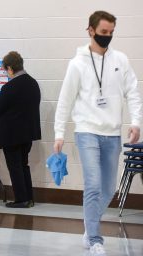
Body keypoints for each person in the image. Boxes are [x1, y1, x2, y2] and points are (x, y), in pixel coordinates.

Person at [54, 11, 141, 256]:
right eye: (103, 32)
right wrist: (59, 133)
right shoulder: (77, 64)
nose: (108, 37)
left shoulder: (120, 60)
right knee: (92, 185)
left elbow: (133, 93)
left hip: (112, 133)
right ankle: (95, 239)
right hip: (87, 131)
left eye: (111, 33)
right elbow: (65, 100)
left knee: (108, 188)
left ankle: (89, 222)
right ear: (90, 30)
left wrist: (136, 122)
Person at [0, 51, 41, 208]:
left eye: (5, 70)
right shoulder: (33, 83)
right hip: (28, 133)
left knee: (14, 166)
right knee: (23, 164)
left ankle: (21, 200)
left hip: (12, 135)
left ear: (10, 68)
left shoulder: (9, 87)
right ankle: (29, 198)